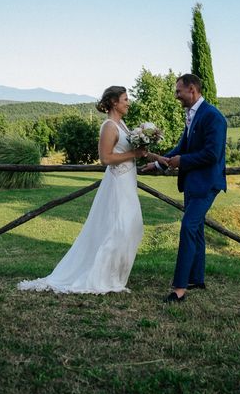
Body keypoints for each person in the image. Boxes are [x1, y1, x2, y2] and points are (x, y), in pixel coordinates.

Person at [18, 86, 159, 294]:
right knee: (120, 227)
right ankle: (103, 277)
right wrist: (134, 156)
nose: (128, 102)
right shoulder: (109, 126)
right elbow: (106, 158)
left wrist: (160, 159)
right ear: (113, 102)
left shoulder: (123, 124)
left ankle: (115, 274)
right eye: (125, 99)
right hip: (117, 183)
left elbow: (136, 152)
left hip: (128, 181)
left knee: (132, 226)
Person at [143, 74, 227, 303]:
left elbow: (212, 155)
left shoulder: (213, 117)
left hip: (208, 183)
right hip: (192, 183)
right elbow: (182, 148)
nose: (176, 95)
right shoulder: (193, 116)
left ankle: (179, 288)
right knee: (196, 229)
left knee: (188, 226)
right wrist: (158, 163)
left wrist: (183, 161)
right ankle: (196, 278)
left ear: (192, 89)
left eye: (179, 91)